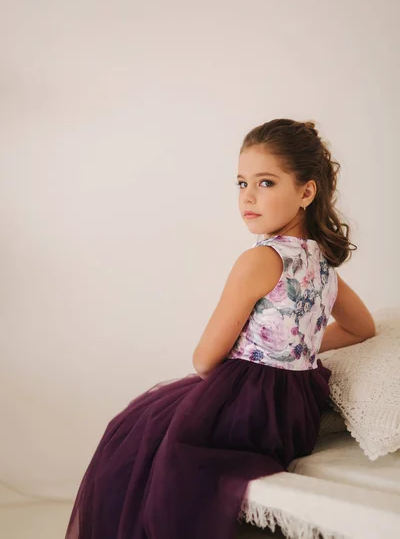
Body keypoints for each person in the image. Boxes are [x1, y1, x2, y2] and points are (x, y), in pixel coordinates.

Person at [65, 118, 376, 539]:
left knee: (133, 436)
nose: (247, 197)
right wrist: (292, 348)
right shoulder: (322, 264)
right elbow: (362, 329)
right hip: (295, 410)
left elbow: (205, 358)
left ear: (306, 191)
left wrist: (255, 360)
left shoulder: (260, 260)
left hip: (249, 407)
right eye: (241, 183)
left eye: (265, 183)